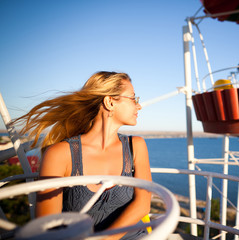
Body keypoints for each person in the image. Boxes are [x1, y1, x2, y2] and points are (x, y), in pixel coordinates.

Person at [12, 71, 152, 239]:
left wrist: (107, 239)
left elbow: (143, 204)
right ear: (109, 102)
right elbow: (47, 225)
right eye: (133, 98)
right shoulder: (59, 154)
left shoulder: (135, 146)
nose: (139, 106)